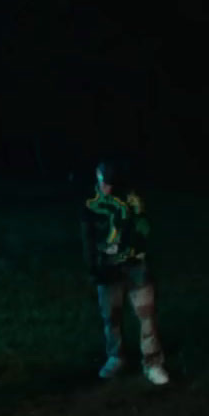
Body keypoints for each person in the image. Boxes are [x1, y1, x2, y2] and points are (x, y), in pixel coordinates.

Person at [80, 157, 169, 385]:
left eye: (111, 183)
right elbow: (88, 235)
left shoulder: (132, 198)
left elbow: (145, 227)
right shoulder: (91, 201)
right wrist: (93, 266)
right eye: (103, 182)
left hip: (135, 266)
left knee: (146, 314)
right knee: (112, 317)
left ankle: (152, 361)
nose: (106, 188)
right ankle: (116, 357)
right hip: (107, 269)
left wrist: (138, 240)